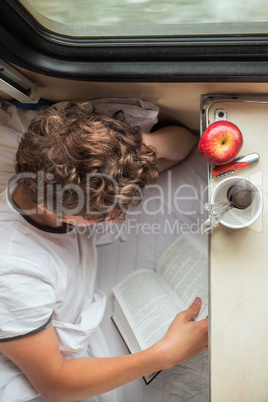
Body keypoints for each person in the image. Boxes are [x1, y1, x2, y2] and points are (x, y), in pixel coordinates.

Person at [0, 101, 208, 402]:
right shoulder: (14, 272)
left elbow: (184, 143)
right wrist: (163, 355)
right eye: (102, 216)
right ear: (47, 208)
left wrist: (137, 149)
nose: (116, 218)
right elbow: (55, 383)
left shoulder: (64, 147)